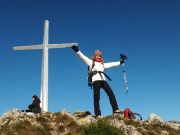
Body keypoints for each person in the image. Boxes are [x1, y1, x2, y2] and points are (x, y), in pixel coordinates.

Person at [71, 45, 124, 117]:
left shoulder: (102, 64)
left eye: (100, 56)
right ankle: (98, 114)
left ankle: (115, 109)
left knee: (111, 93)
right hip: (95, 80)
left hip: (103, 80)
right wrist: (77, 51)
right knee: (97, 97)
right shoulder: (91, 62)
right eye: (97, 55)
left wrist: (120, 62)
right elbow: (83, 57)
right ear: (95, 56)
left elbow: (111, 64)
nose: (99, 56)